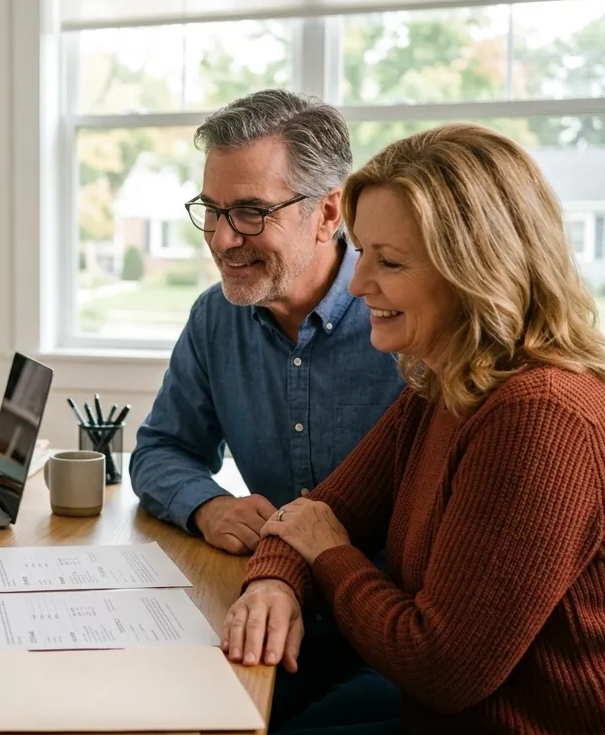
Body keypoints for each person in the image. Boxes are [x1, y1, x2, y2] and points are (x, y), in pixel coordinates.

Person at [226, 123, 605, 734]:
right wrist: (275, 576)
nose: (356, 283)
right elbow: (320, 508)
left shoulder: (539, 415)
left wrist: (329, 555)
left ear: (478, 271)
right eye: (363, 250)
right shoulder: (443, 384)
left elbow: (440, 668)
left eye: (391, 261)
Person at [129, 89, 404, 729]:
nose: (224, 240)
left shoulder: (401, 323)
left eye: (251, 212)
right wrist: (208, 505)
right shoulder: (214, 318)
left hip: (387, 633)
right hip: (268, 608)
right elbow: (162, 449)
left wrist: (286, 575)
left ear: (327, 211)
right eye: (213, 210)